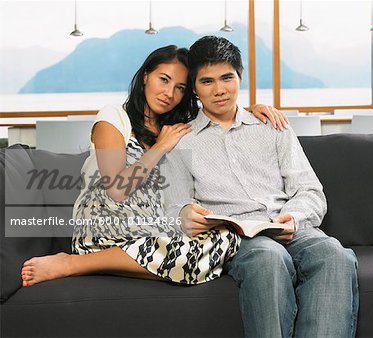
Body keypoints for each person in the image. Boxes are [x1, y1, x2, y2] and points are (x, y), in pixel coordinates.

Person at [20, 45, 287, 286]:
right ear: (146, 75)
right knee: (201, 247)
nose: (169, 93)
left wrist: (252, 109)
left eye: (181, 88)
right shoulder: (115, 117)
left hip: (155, 232)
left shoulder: (181, 125)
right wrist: (161, 147)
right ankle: (73, 263)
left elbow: (217, 108)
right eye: (164, 80)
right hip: (106, 225)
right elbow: (116, 189)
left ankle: (121, 262)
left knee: (228, 239)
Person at [162, 36, 359, 337]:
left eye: (227, 77)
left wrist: (293, 218)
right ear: (194, 88)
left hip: (289, 228)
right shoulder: (182, 140)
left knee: (335, 253)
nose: (220, 90)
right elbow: (174, 206)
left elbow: (310, 191)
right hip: (237, 240)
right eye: (207, 81)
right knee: (269, 257)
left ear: (240, 76)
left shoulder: (272, 125)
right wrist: (186, 215)